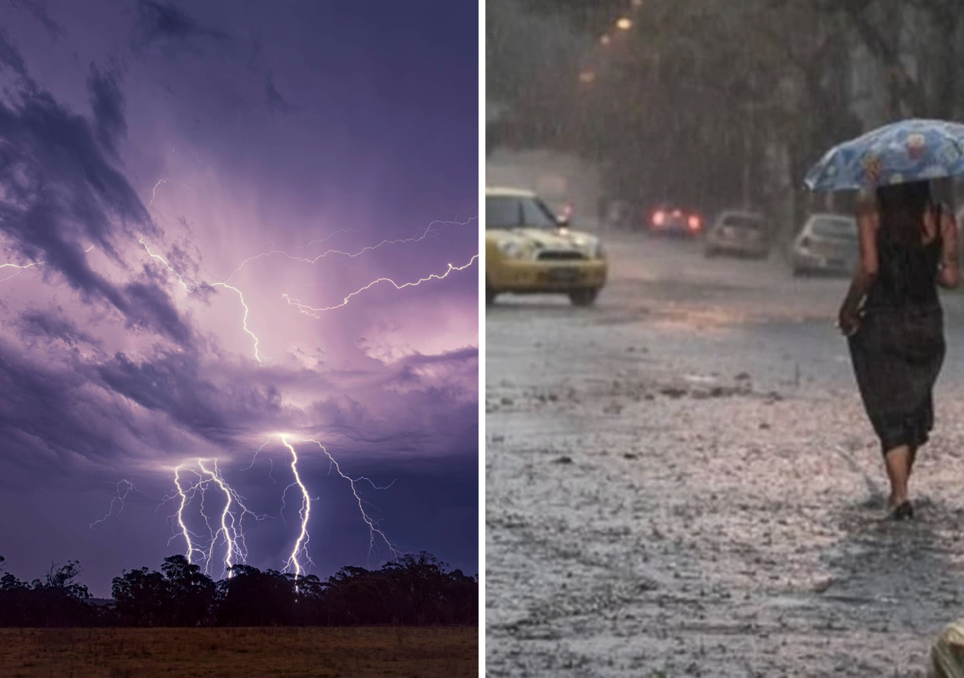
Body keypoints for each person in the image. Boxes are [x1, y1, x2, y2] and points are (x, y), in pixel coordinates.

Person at [837, 180, 960, 520]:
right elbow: (951, 278)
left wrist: (848, 308)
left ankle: (900, 494)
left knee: (889, 408)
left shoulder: (870, 211)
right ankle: (901, 487)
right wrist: (922, 264)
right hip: (926, 324)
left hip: (884, 321)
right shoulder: (941, 216)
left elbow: (870, 268)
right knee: (913, 405)